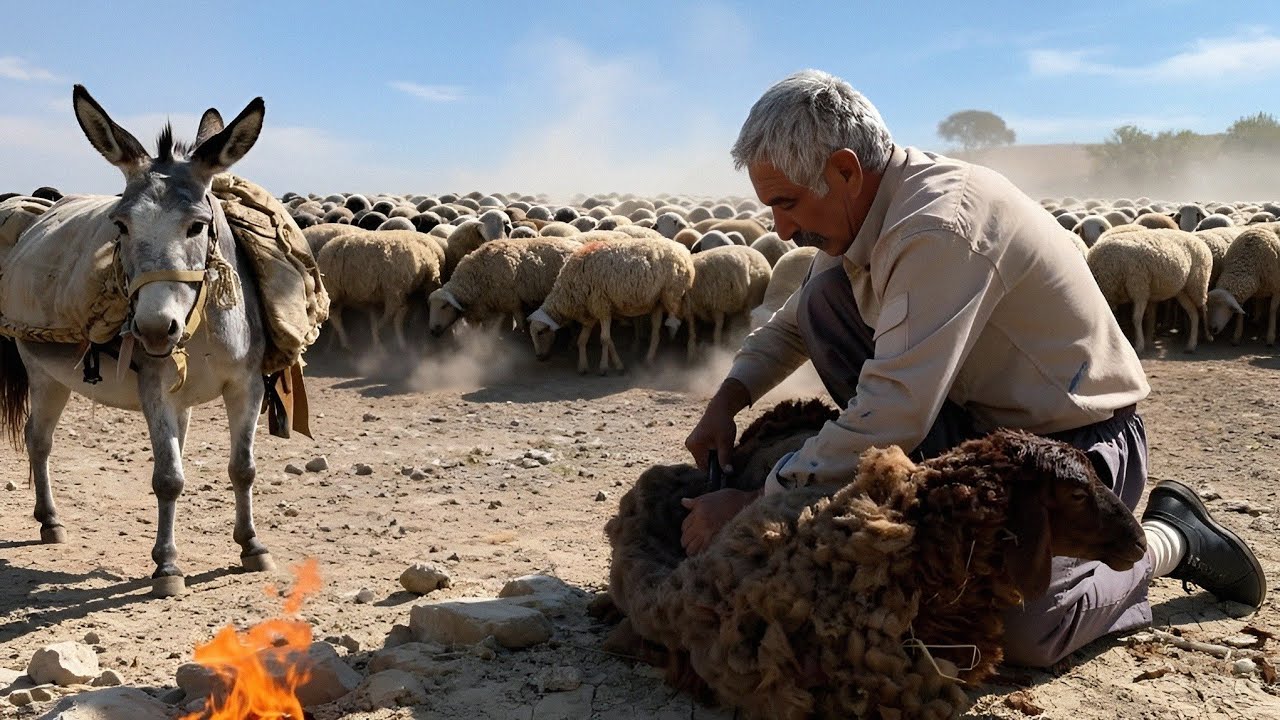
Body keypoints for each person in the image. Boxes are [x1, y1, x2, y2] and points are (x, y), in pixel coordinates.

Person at [681, 69, 1267, 668]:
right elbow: (793, 325)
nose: (780, 228)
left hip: (1069, 446)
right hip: (970, 429)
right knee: (823, 302)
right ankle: (925, 514)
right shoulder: (861, 222)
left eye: (787, 202)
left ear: (844, 171)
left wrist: (759, 498)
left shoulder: (939, 225)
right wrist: (726, 401)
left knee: (1015, 627)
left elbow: (897, 408)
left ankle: (1173, 538)